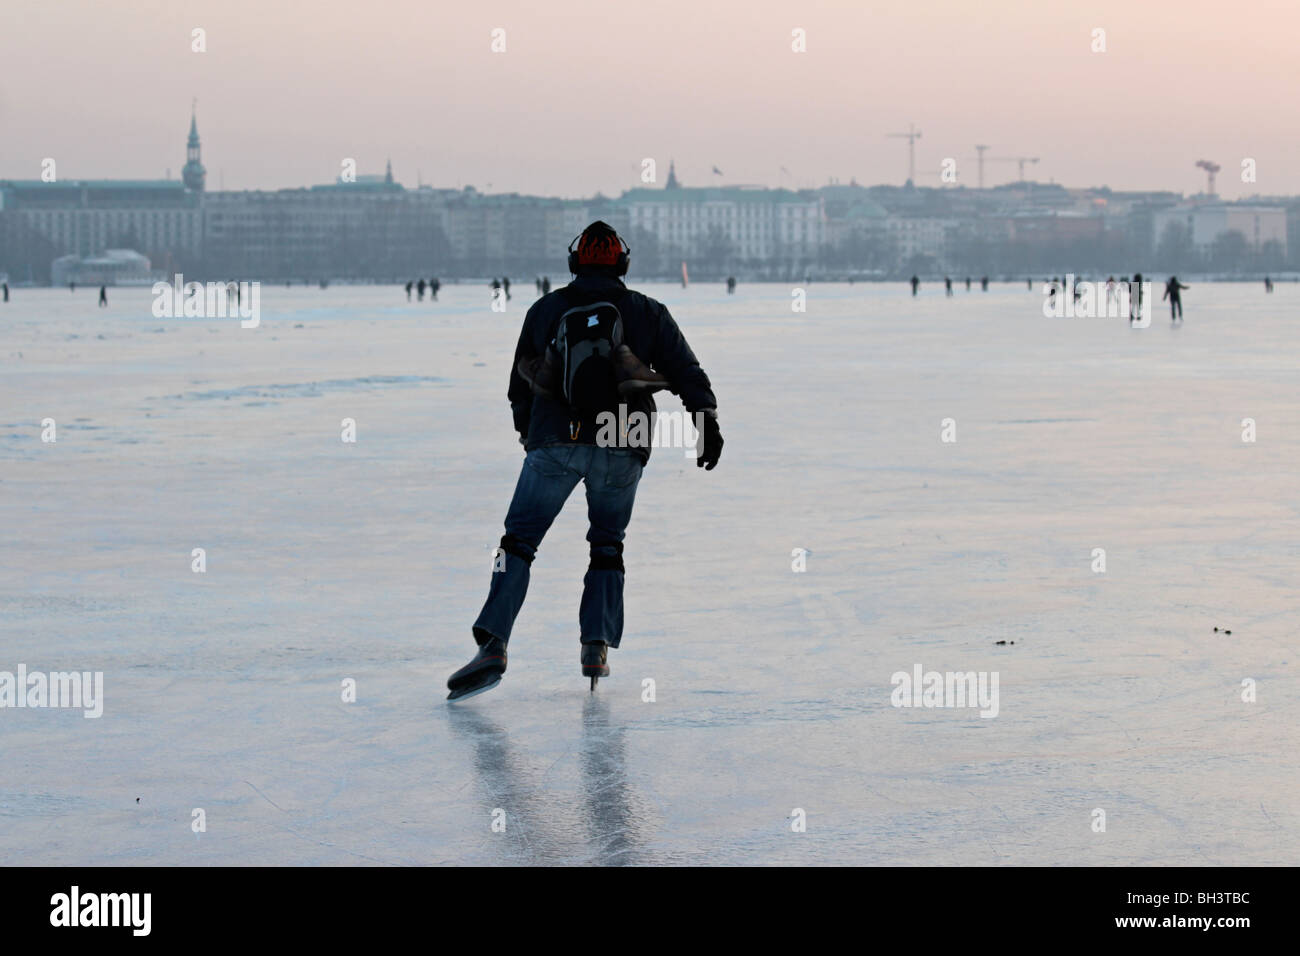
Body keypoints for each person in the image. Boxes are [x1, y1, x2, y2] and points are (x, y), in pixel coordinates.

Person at [447, 221, 722, 700]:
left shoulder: (546, 309)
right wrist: (705, 423)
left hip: (556, 436)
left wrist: (530, 435)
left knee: (517, 543)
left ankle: (493, 642)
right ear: (623, 264)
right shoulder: (648, 312)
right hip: (624, 437)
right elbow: (686, 370)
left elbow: (518, 386)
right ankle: (595, 648)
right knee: (607, 545)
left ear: (575, 263)